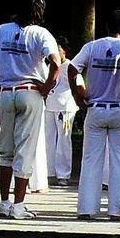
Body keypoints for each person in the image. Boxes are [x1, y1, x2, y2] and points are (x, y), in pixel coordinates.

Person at [0, 0, 61, 220]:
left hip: (5, 93)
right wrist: (46, 87)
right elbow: (55, 62)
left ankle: (4, 202)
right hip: (30, 92)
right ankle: (19, 205)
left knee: (6, 150)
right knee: (25, 149)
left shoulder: (2, 30)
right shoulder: (41, 34)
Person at [69, 10, 120, 221]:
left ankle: (86, 209)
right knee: (118, 160)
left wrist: (78, 93)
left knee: (90, 159)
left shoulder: (91, 47)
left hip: (95, 107)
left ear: (106, 27)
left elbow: (72, 68)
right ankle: (115, 210)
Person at [44, 35, 78, 187]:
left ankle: (63, 174)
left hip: (65, 107)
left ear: (65, 51)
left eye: (58, 50)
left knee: (64, 140)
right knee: (48, 139)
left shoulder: (70, 66)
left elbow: (78, 85)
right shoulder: (48, 65)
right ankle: (48, 171)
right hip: (49, 104)